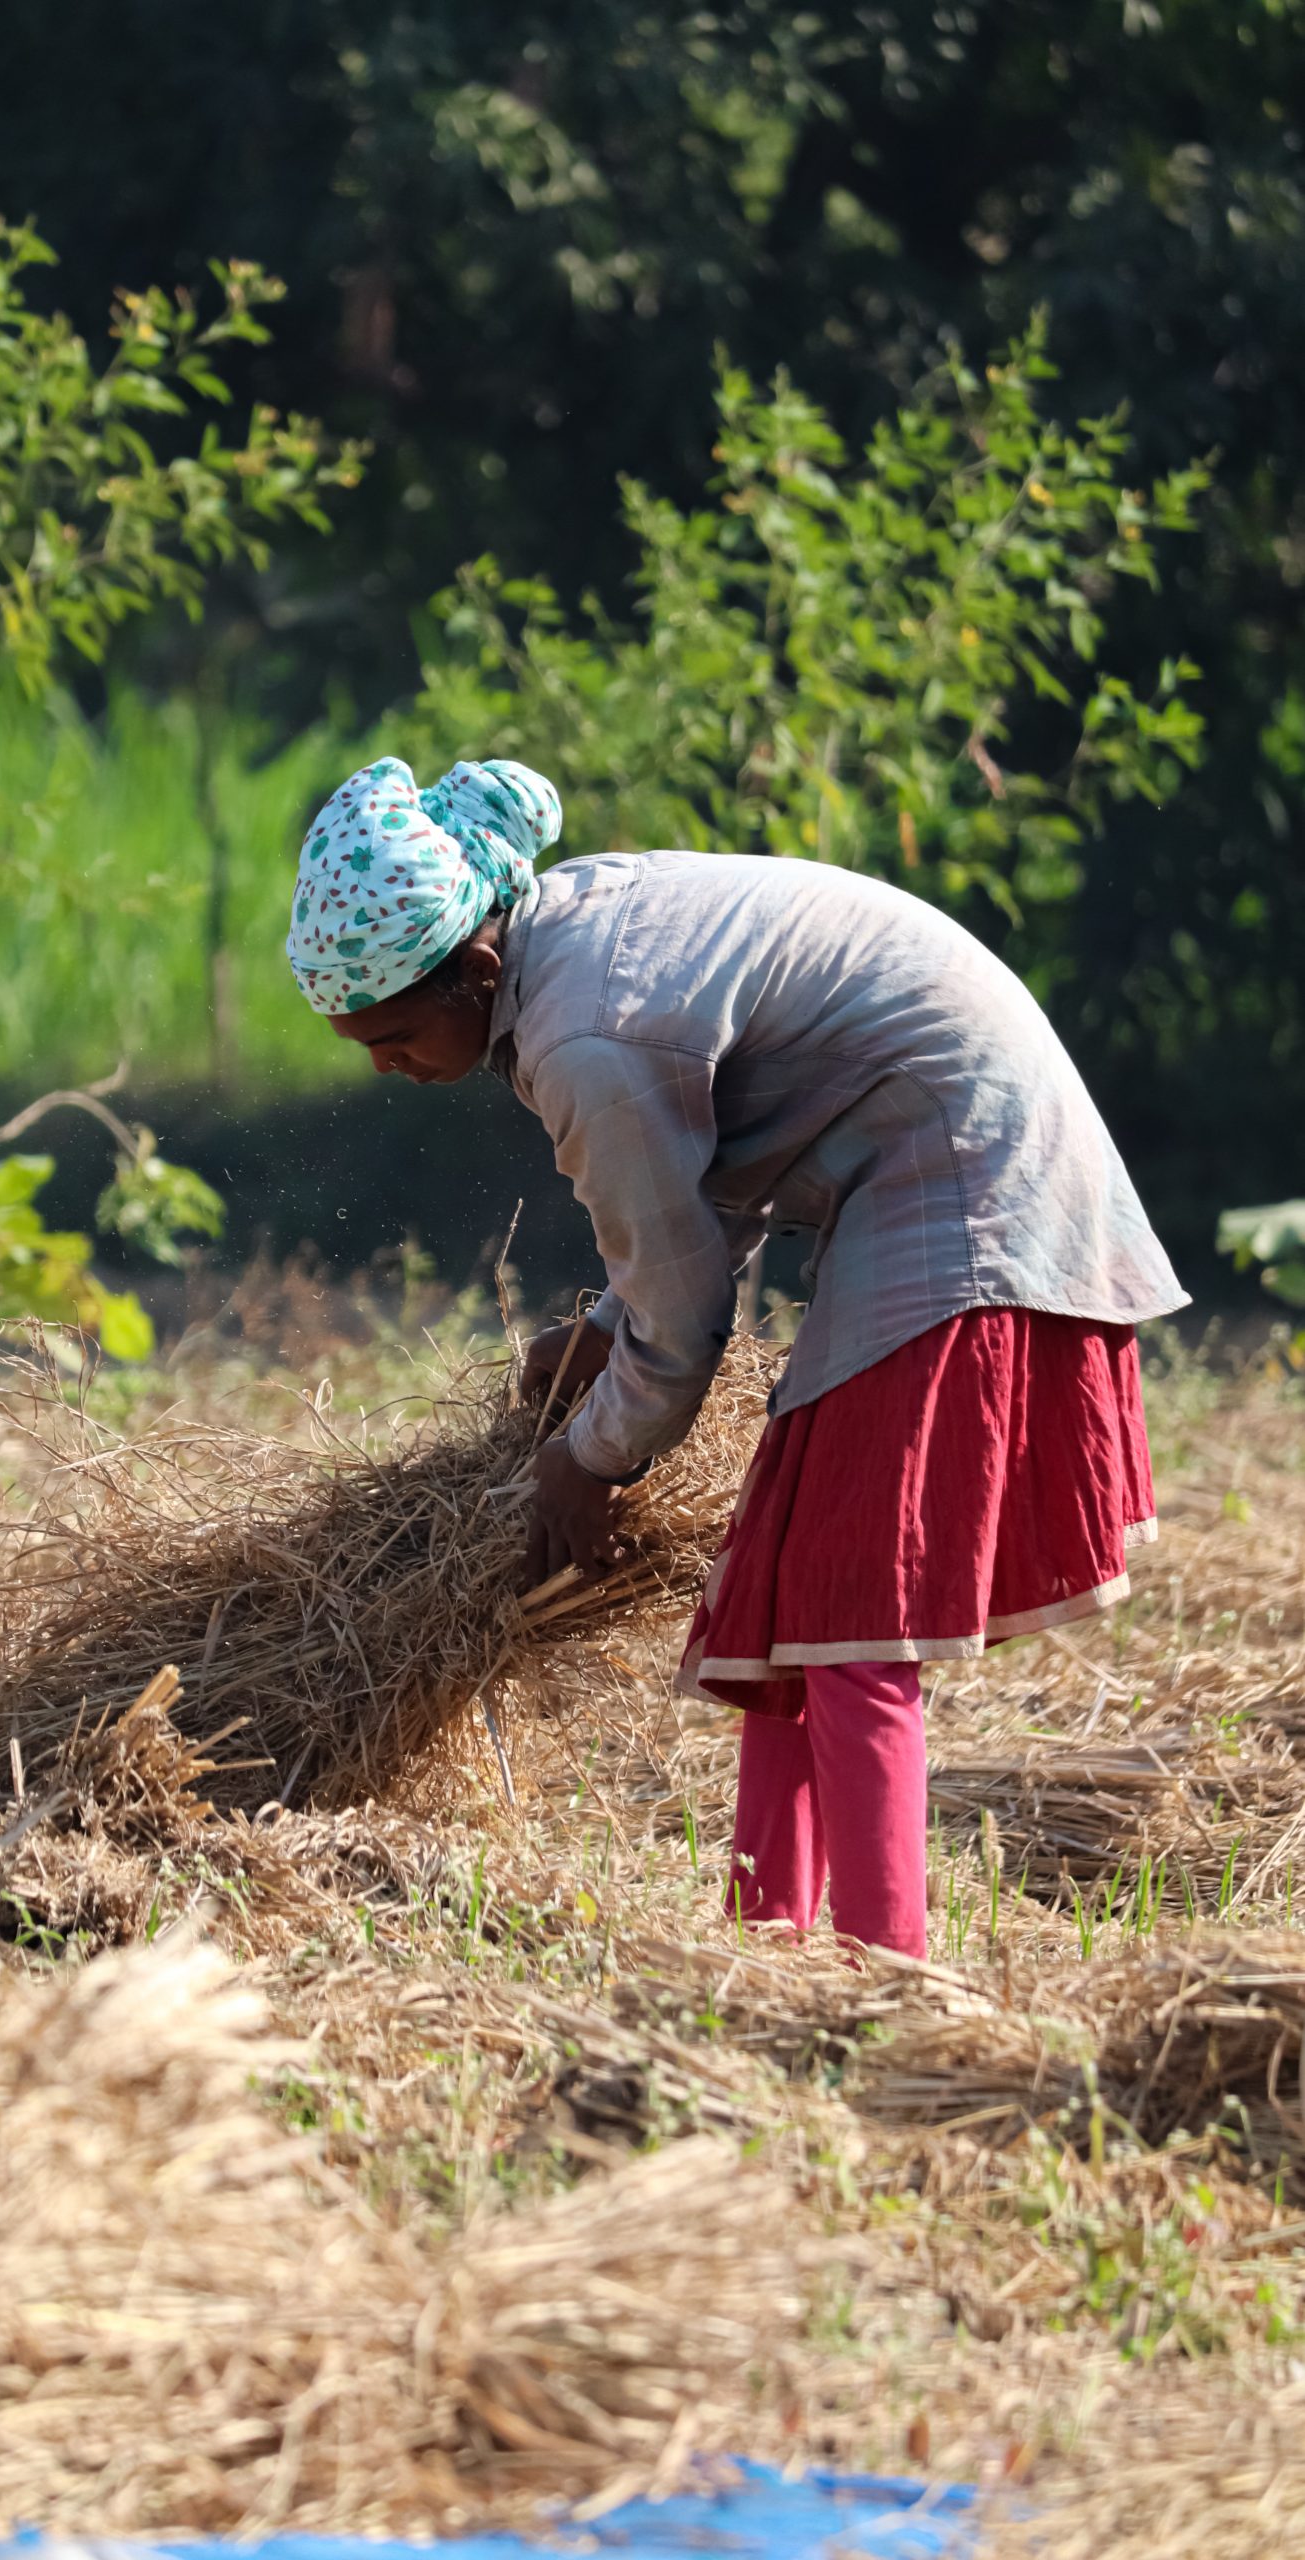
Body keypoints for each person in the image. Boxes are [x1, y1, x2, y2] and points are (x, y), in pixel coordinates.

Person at [285, 753, 1185, 1958]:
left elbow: (687, 1306)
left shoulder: (582, 1035)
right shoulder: (569, 940)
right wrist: (598, 1336)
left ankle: (884, 1969)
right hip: (916, 1160)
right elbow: (722, 1177)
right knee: (783, 1612)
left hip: (965, 1170)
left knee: (857, 1616)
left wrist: (591, 1457)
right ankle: (765, 1948)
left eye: (392, 1036)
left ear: (476, 971)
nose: (384, 1067)